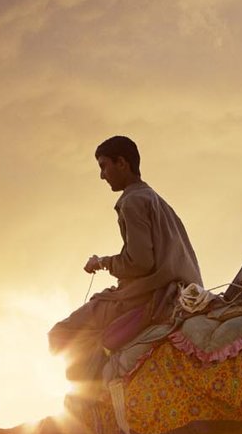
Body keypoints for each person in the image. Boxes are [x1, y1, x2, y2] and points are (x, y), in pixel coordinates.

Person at [48, 135, 203, 385]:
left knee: (60, 335)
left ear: (122, 163)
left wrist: (102, 262)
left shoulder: (132, 201)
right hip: (182, 290)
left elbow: (141, 262)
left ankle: (97, 402)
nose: (102, 175)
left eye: (103, 166)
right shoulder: (157, 200)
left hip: (152, 295)